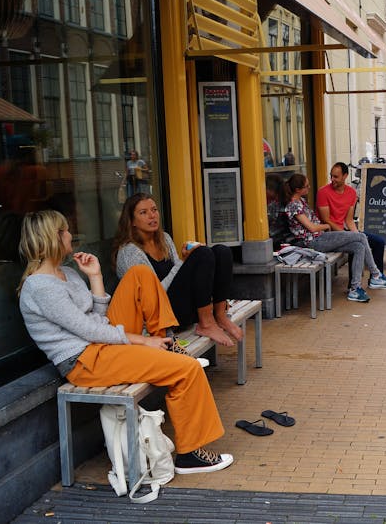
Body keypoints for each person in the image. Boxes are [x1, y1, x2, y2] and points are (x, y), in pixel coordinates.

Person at [18, 210, 233, 474]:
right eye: (65, 231)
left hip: (101, 344)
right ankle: (190, 455)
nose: (70, 235)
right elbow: (87, 330)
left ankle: (166, 340)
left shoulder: (67, 273)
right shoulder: (40, 287)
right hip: (85, 361)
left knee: (140, 274)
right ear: (52, 237)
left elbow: (96, 320)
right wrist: (142, 342)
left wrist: (95, 277)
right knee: (186, 369)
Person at [114, 194, 241, 347]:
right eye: (143, 212)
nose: (152, 215)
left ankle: (220, 315)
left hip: (182, 308)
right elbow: (154, 296)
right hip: (160, 317)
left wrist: (187, 263)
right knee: (202, 254)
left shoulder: (164, 239)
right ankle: (206, 324)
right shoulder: (129, 252)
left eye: (154, 210)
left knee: (222, 251)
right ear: (132, 221)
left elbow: (180, 276)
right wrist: (185, 261)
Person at [284, 173, 386, 303]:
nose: (309, 188)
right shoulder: (293, 205)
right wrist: (326, 226)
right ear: (298, 190)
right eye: (306, 186)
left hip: (320, 238)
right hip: (313, 242)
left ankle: (355, 289)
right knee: (360, 236)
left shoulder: (300, 201)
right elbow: (312, 228)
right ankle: (376, 275)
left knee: (358, 246)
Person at [316, 161, 386, 276]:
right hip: (329, 234)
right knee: (356, 242)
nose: (332, 179)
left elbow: (349, 220)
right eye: (331, 176)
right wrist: (350, 235)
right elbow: (327, 220)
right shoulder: (323, 192)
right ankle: (355, 285)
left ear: (345, 176)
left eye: (336, 176)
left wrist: (354, 233)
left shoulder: (351, 193)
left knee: (379, 242)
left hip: (343, 231)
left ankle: (376, 278)